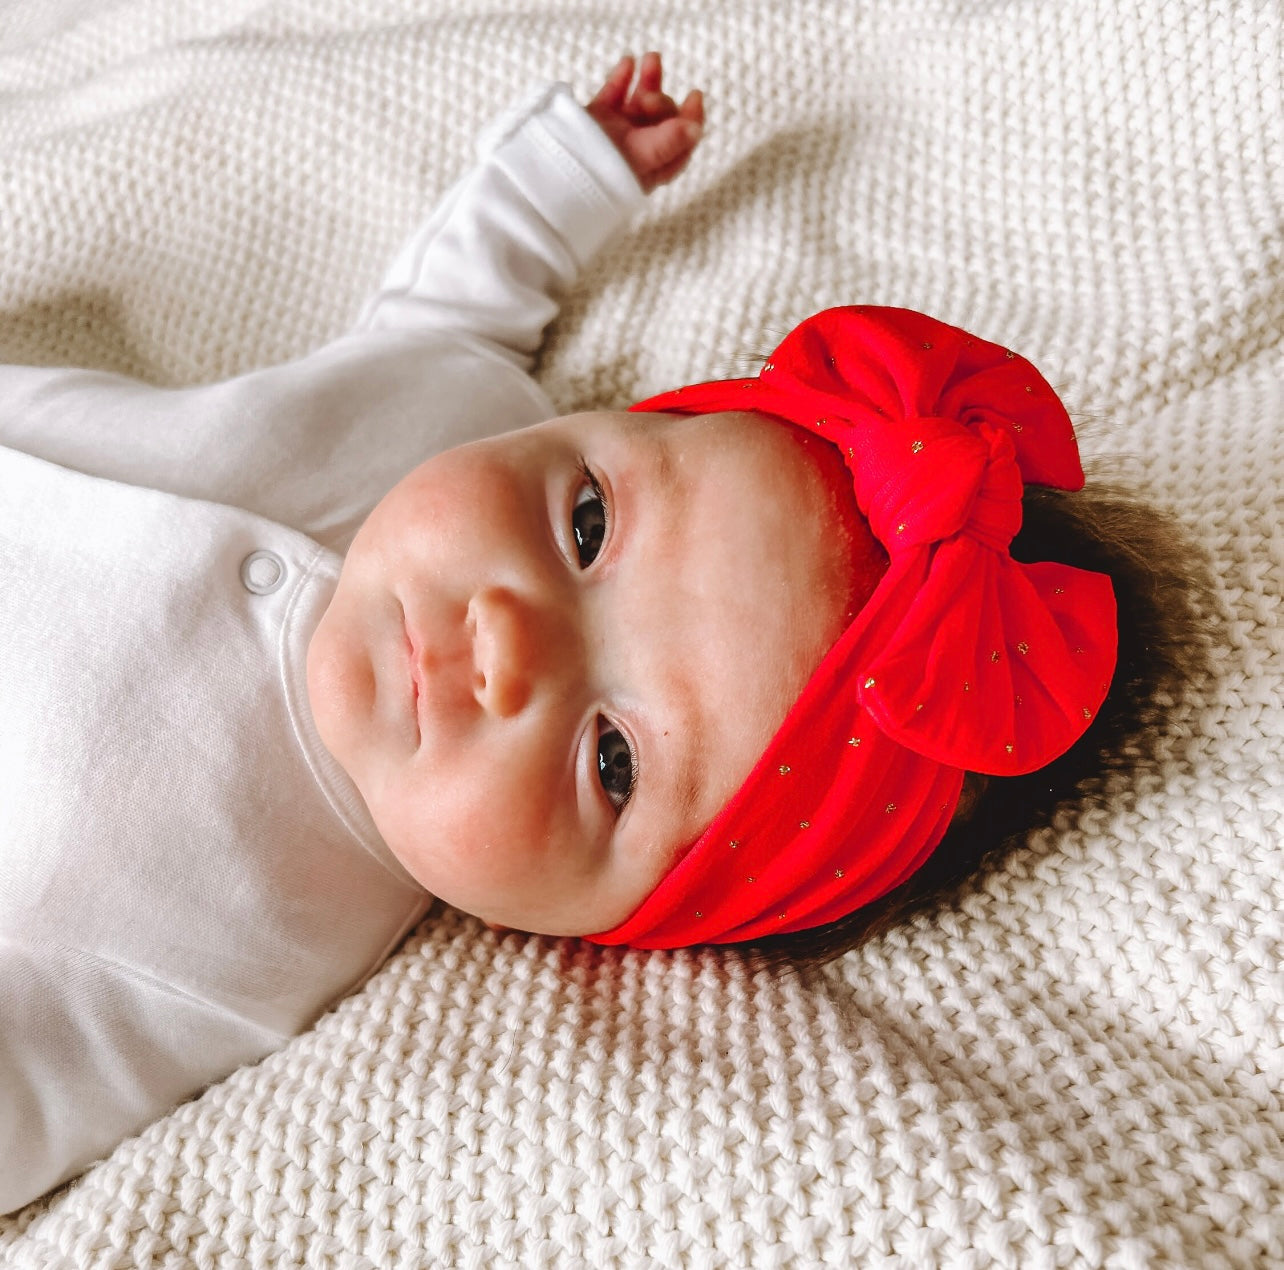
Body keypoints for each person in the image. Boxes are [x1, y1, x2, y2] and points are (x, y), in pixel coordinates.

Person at [1, 48, 1205, 1214]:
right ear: (601, 429)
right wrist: (556, 183)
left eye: (612, 761)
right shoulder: (454, 412)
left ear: (621, 929)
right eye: (587, 522)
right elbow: (454, 315)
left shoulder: (234, 944)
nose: (507, 643)